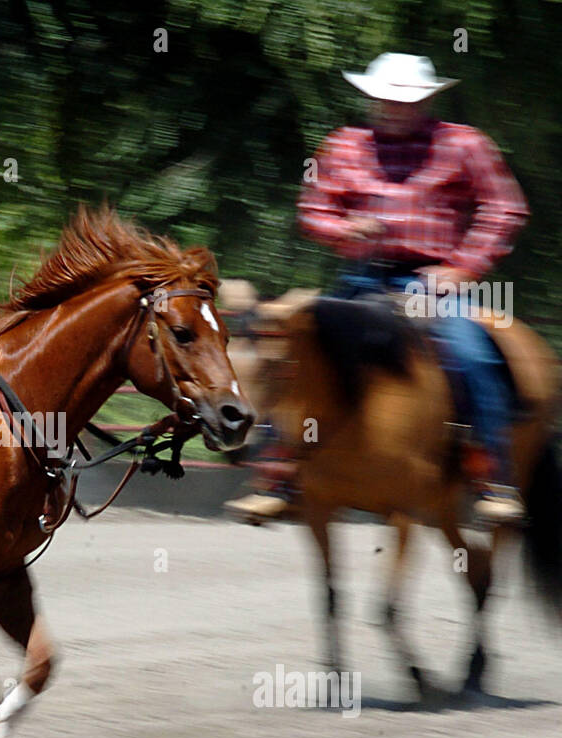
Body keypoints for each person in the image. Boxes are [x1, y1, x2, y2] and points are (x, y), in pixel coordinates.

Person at [226, 53, 529, 525]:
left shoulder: (464, 145)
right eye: (384, 99)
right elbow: (313, 210)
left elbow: (504, 208)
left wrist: (461, 268)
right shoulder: (345, 146)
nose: (393, 108)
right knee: (288, 345)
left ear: (427, 100)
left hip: (432, 280)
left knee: (473, 353)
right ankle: (276, 474)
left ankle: (491, 475)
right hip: (363, 278)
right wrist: (343, 229)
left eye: (405, 101)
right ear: (370, 98)